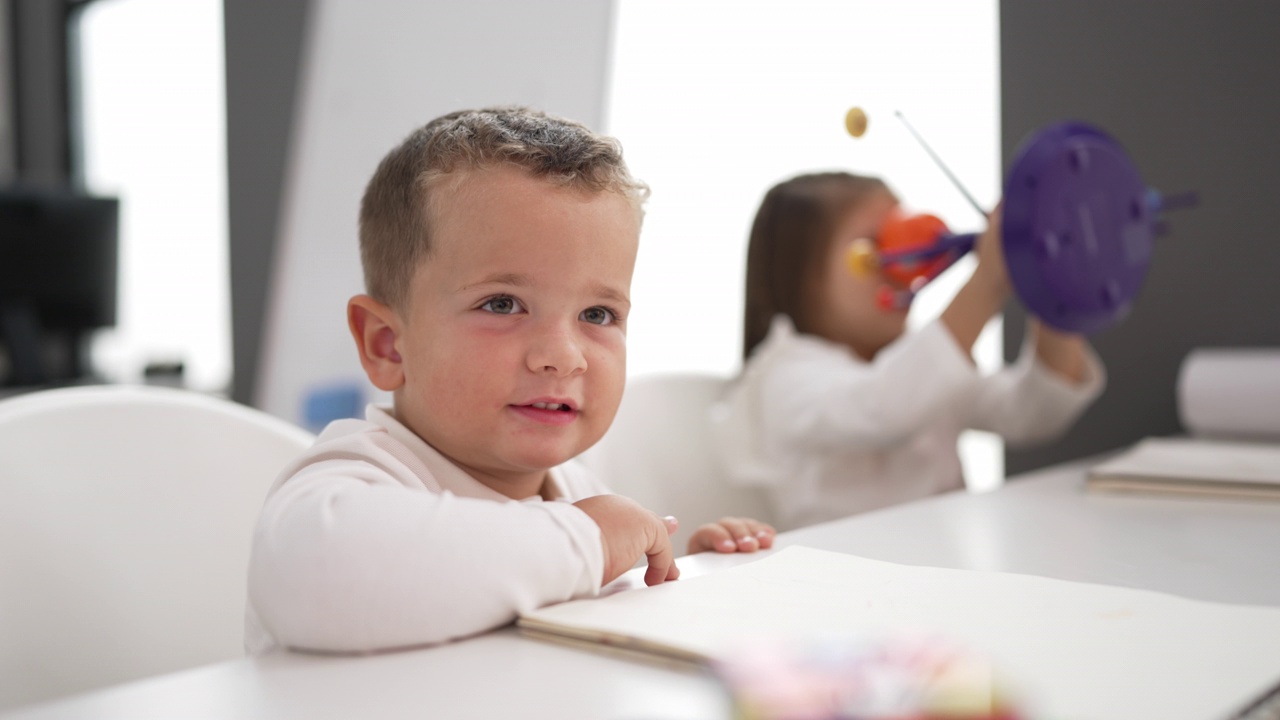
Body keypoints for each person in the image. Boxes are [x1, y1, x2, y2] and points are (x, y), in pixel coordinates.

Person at [246, 107, 775, 655]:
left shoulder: (580, 493)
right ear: (387, 343)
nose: (563, 357)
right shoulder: (357, 477)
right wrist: (590, 542)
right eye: (503, 304)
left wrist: (679, 575)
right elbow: (318, 574)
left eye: (597, 314)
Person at [710, 172, 1105, 531]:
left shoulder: (920, 363)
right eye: (872, 249)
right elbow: (882, 407)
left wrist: (1054, 293)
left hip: (941, 584)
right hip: (839, 589)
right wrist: (984, 286)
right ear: (799, 277)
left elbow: (1032, 414)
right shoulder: (786, 375)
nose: (902, 266)